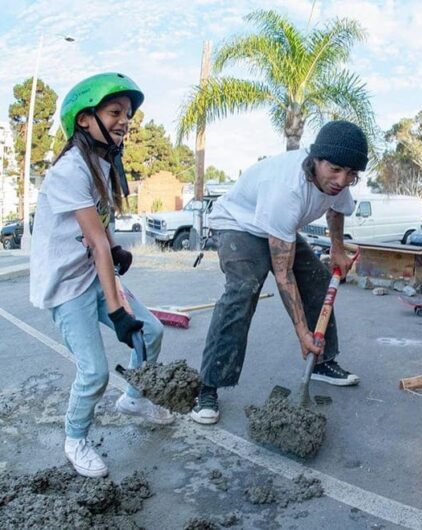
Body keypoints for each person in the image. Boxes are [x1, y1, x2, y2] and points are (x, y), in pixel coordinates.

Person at [30, 73, 173, 478]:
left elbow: (102, 221)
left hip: (92, 270)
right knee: (93, 371)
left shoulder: (103, 162)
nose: (124, 120)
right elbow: (92, 241)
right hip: (66, 285)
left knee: (153, 332)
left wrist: (116, 247)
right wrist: (117, 311)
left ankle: (134, 398)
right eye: (114, 112)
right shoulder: (69, 170)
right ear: (83, 119)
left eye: (127, 114)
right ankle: (75, 438)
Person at [191, 120, 367, 425]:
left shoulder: (339, 180)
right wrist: (302, 333)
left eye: (351, 175)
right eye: (335, 170)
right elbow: (283, 274)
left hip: (278, 228)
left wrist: (337, 248)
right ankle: (209, 385)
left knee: (316, 278)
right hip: (239, 224)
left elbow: (336, 208)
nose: (341, 180)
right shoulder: (286, 188)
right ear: (316, 159)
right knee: (244, 288)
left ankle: (322, 362)